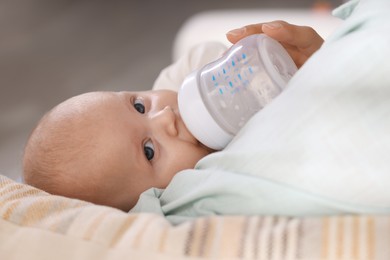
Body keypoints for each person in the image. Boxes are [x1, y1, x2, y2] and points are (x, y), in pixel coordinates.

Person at [23, 21, 324, 212]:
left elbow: (216, 58)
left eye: (139, 106)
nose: (166, 116)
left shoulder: (185, 78)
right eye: (149, 151)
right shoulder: (209, 192)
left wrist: (307, 63)